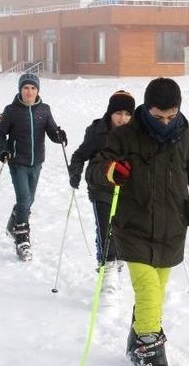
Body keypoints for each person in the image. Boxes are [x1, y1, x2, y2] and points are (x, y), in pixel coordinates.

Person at [89, 78, 189, 366]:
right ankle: (149, 353)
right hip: (132, 227)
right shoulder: (125, 136)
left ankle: (136, 340)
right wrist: (110, 171)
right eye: (158, 117)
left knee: (154, 295)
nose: (164, 123)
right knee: (147, 289)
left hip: (171, 229)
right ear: (146, 109)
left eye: (171, 116)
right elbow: (95, 170)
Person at [0, 73, 66, 261]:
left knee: (29, 200)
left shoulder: (44, 109)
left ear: (38, 90)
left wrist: (59, 136)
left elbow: (52, 131)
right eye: (26, 88)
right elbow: (0, 134)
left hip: (37, 162)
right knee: (24, 199)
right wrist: (3, 151)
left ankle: (14, 222)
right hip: (17, 161)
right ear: (20, 90)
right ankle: (22, 239)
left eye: (33, 88)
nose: (29, 91)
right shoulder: (11, 110)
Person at [68, 90, 135, 292]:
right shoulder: (98, 131)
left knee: (122, 230)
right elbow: (80, 154)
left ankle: (118, 259)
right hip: (100, 188)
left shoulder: (138, 134)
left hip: (127, 190)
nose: (122, 119)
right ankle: (107, 270)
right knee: (105, 229)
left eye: (127, 114)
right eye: (118, 113)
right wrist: (75, 173)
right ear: (110, 113)